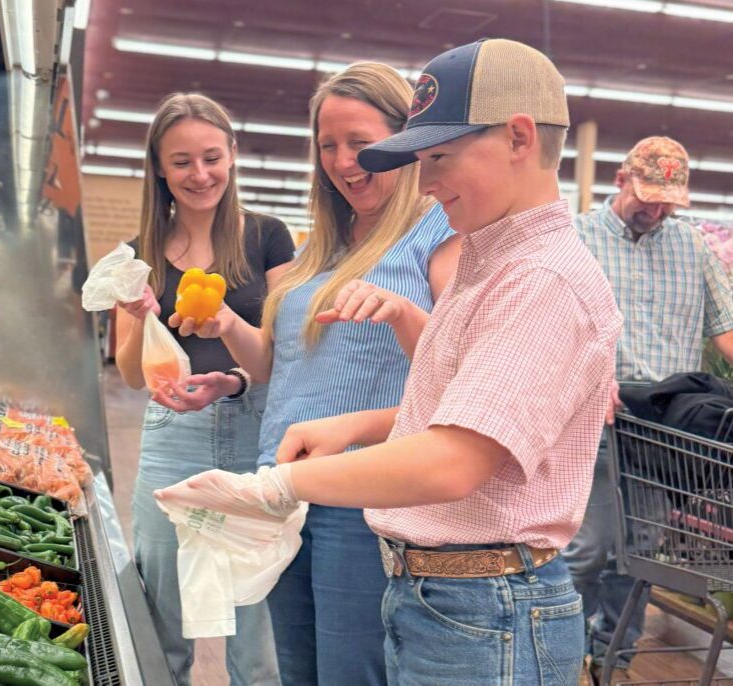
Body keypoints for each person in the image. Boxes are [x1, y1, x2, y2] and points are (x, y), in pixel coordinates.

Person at [157, 38, 622, 686]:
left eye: (440, 158)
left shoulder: (538, 279)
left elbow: (456, 459)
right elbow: (454, 407)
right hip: (443, 592)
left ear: (519, 138)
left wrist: (277, 486)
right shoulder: (491, 268)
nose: (425, 181)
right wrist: (353, 427)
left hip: (487, 601)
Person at [156, 62, 458, 685]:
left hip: (363, 494)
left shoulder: (438, 233)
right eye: (329, 146)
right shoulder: (328, 240)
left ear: (406, 139)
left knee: (350, 671)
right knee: (297, 671)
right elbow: (279, 366)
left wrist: (401, 312)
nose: (345, 163)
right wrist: (229, 335)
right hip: (285, 486)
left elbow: (461, 372)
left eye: (363, 144)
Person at [113, 92, 294, 686]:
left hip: (251, 430)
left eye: (212, 157)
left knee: (251, 610)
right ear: (159, 169)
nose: (200, 174)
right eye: (182, 161)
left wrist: (227, 330)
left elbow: (277, 358)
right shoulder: (138, 256)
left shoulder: (269, 238)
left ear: (233, 156)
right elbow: (131, 374)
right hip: (173, 438)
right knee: (165, 607)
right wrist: (140, 313)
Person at [565, 135, 733, 683]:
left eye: (666, 201)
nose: (655, 210)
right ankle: (560, 656)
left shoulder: (693, 248)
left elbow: (726, 330)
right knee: (586, 551)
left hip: (665, 430)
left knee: (637, 556)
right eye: (647, 196)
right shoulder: (578, 239)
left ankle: (613, 655)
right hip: (597, 417)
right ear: (621, 179)